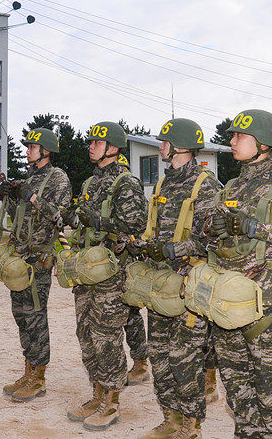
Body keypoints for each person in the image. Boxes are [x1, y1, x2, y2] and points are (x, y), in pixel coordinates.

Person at [206, 109, 272, 439]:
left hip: (269, 307)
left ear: (265, 144)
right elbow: (210, 241)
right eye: (232, 135)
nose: (232, 140)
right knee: (237, 389)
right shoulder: (230, 187)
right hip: (229, 302)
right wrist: (214, 229)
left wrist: (257, 227)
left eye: (240, 135)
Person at [137, 118, 219, 439]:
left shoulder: (206, 186)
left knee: (183, 360)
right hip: (161, 287)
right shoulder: (161, 185)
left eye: (164, 142)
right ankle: (170, 419)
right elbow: (151, 231)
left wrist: (171, 249)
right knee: (158, 356)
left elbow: (212, 241)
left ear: (180, 145)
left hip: (189, 288)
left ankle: (191, 425)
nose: (161, 147)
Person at [66, 121, 147, 431]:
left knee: (107, 337)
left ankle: (112, 403)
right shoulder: (90, 183)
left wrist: (96, 218)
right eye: (91, 141)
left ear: (113, 148)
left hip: (112, 273)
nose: (91, 146)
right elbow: (81, 220)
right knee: (85, 333)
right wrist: (71, 216)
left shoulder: (126, 183)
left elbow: (135, 224)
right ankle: (98, 393)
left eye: (97, 142)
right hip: (87, 270)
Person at [0, 127, 72, 401]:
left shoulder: (58, 179)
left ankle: (39, 378)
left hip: (38, 259)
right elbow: (17, 217)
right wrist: (7, 196)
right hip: (20, 257)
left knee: (36, 317)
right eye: (27, 146)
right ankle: (28, 371)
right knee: (21, 316)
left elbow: (61, 217)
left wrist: (31, 196)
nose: (27, 150)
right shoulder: (29, 177)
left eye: (32, 147)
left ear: (46, 151)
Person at [117, 154, 151, 387]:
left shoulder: (129, 185)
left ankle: (140, 363)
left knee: (130, 314)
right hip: (111, 259)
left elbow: (138, 224)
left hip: (127, 258)